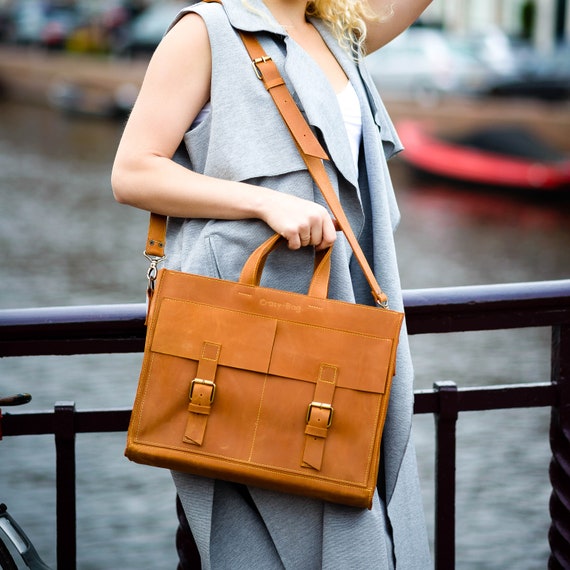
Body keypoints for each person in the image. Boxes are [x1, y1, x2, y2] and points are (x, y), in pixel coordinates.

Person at [112, 0, 432, 567]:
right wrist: (263, 201)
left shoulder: (335, 30)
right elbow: (134, 169)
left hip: (339, 327)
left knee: (352, 503)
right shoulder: (204, 30)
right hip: (244, 344)